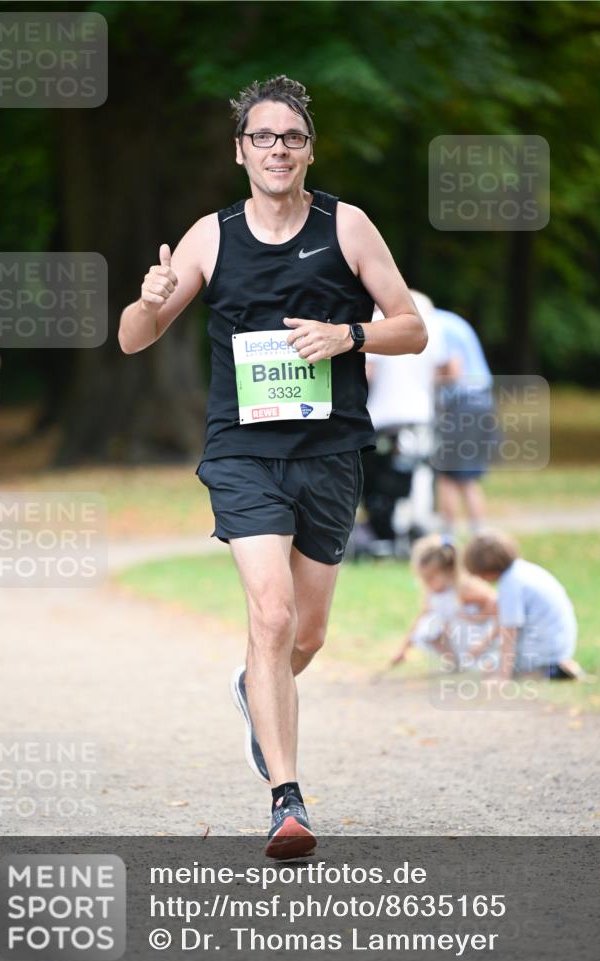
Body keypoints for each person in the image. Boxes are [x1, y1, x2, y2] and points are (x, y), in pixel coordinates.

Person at [118, 75, 427, 859]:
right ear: (239, 151)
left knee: (308, 633)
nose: (277, 149)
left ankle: (255, 688)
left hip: (329, 452)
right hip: (242, 452)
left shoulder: (345, 225)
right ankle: (286, 801)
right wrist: (150, 299)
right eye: (262, 137)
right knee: (273, 613)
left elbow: (411, 327)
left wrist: (347, 336)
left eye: (290, 137)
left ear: (308, 149)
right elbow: (132, 338)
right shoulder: (210, 235)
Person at [362, 293, 449, 550]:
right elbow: (440, 373)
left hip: (384, 415)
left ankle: (384, 533)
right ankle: (414, 529)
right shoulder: (432, 326)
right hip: (420, 414)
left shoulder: (376, 323)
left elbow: (368, 372)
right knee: (417, 474)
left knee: (382, 479)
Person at [463, 530, 594, 681]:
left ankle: (549, 670)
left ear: (486, 571)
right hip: (558, 646)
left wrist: (503, 676)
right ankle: (554, 666)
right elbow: (503, 620)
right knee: (490, 661)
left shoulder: (510, 585)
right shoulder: (521, 571)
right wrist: (482, 645)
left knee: (488, 667)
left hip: (545, 651)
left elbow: (509, 632)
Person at [388, 535, 499, 673]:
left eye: (431, 578)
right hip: (458, 639)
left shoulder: (464, 589)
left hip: (478, 637)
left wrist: (479, 619)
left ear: (450, 570)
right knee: (426, 626)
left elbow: (496, 604)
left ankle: (478, 658)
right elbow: (420, 620)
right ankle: (455, 661)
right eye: (423, 578)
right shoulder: (433, 594)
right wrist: (403, 650)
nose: (427, 583)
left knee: (446, 621)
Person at [432, 308, 495, 537]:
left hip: (462, 406)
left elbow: (454, 371)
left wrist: (425, 381)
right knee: (467, 476)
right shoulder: (452, 320)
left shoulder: (436, 326)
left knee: (446, 474)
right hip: (482, 401)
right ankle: (479, 535)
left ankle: (448, 537)